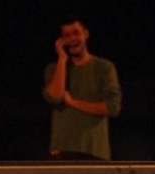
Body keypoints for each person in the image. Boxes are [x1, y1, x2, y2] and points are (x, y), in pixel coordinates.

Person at [43, 15, 122, 160]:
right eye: (66, 35)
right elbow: (55, 97)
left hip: (94, 150)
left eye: (76, 33)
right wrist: (62, 58)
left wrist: (73, 103)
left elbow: (112, 108)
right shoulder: (53, 68)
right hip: (62, 150)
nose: (72, 38)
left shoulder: (104, 67)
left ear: (86, 34)